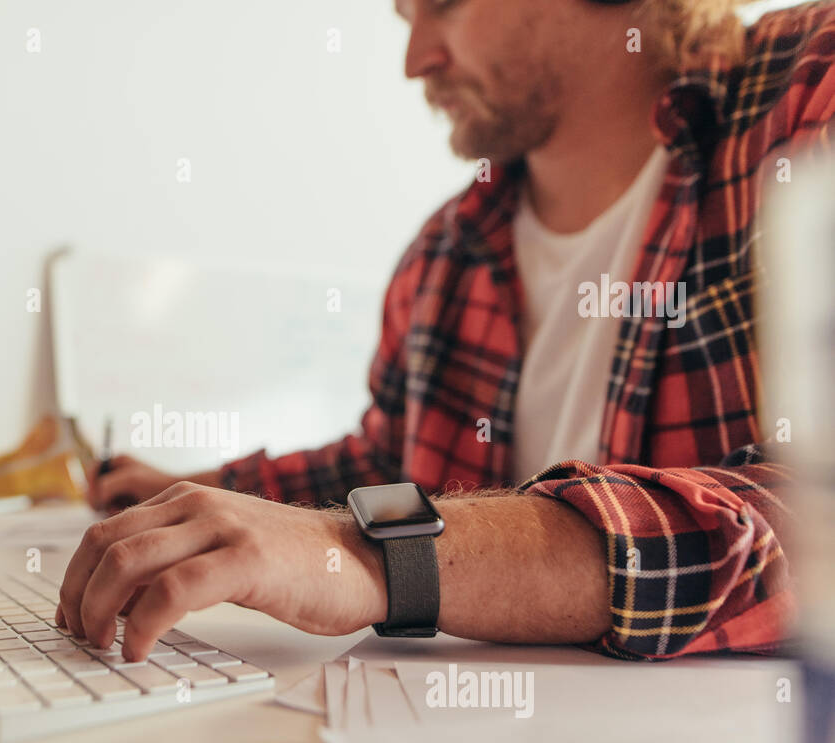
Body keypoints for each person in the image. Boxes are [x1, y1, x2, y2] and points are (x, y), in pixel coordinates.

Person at [57, 0, 835, 663]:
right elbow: (385, 466)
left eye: (444, 5)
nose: (415, 60)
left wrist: (377, 556)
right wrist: (200, 495)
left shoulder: (809, 90)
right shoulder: (446, 254)